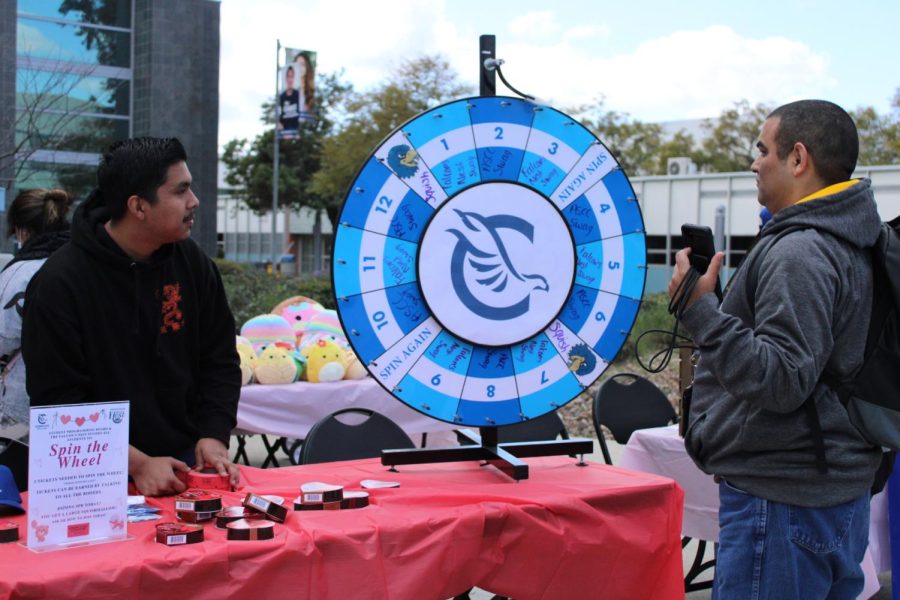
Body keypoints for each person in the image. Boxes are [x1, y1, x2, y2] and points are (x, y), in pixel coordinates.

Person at [668, 100, 882, 598]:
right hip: (831, 488)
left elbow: (782, 380)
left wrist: (699, 310)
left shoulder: (800, 250)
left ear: (798, 158)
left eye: (763, 149)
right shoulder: (853, 238)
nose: (754, 162)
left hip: (782, 500)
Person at [22, 137, 242, 497]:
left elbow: (219, 358)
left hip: (187, 465)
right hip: (90, 478)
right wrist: (136, 463)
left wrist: (213, 434)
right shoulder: (59, 284)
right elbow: (58, 402)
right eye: (181, 191)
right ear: (138, 206)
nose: (194, 202)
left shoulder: (192, 263)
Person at [0, 188, 72, 443]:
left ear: (21, 230)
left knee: (16, 474)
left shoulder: (18, 275)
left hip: (22, 408)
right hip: (79, 410)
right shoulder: (82, 267)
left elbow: (4, 339)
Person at [278, 65, 300, 136]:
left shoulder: (298, 95)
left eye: (292, 77)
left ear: (294, 78)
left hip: (297, 133)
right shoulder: (282, 97)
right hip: (285, 134)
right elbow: (279, 118)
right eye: (288, 76)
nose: (290, 80)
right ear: (286, 78)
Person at [293, 51, 315, 117]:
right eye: (297, 65)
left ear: (307, 67)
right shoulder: (289, 89)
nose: (299, 68)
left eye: (302, 64)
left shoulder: (312, 90)